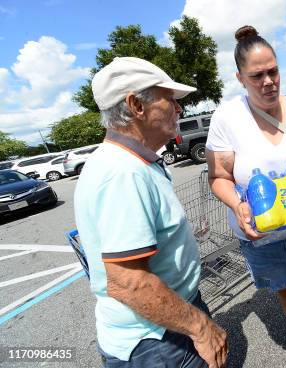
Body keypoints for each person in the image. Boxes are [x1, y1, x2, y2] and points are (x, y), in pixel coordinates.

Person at [74, 57, 228, 368]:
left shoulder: (132, 162)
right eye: (169, 99)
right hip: (158, 340)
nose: (179, 108)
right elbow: (127, 282)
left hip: (165, 325)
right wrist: (200, 328)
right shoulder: (123, 173)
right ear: (136, 106)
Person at [205, 26, 286, 368]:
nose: (268, 82)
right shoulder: (227, 118)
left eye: (273, 71)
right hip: (263, 237)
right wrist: (237, 203)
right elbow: (219, 176)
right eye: (257, 75)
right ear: (240, 77)